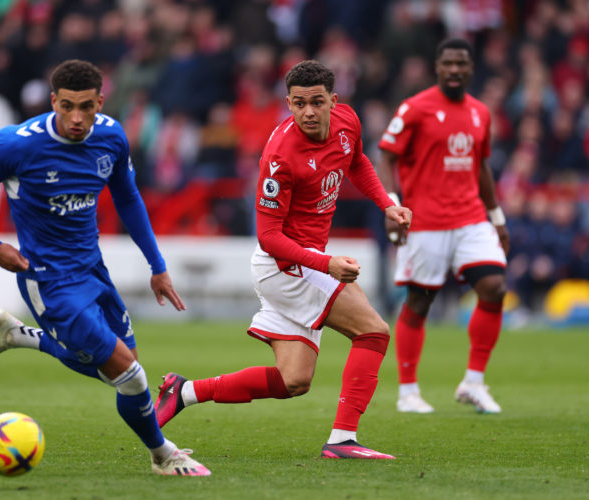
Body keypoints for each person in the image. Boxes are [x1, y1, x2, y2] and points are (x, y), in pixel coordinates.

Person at [0, 59, 210, 476]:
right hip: (50, 280)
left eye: (87, 107)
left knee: (119, 368)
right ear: (53, 101)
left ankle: (17, 336)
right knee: (130, 374)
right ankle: (164, 456)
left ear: (101, 102)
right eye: (67, 106)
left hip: (93, 270)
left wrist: (157, 265)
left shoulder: (111, 137)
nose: (77, 118)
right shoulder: (16, 144)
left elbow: (128, 198)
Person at [154, 60, 412, 459]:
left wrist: (386, 204)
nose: (308, 112)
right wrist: (326, 265)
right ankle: (343, 440)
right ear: (288, 104)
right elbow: (269, 236)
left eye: (316, 102)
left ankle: (184, 391)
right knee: (373, 332)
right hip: (287, 267)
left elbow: (356, 160)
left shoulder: (347, 122)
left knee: (295, 381)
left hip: (305, 265)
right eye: (298, 104)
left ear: (333, 101)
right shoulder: (280, 157)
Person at [377, 38, 510, 414]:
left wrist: (496, 216)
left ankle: (474, 381)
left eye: (461, 64)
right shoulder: (415, 108)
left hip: (470, 217)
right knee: (420, 302)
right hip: (425, 221)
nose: (454, 70)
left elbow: (481, 166)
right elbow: (386, 156)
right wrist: (393, 205)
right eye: (448, 63)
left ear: (470, 68)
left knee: (495, 287)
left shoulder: (480, 112)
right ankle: (408, 392)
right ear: (437, 66)